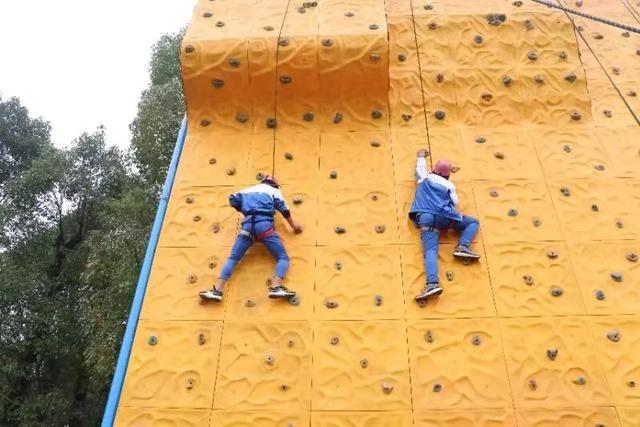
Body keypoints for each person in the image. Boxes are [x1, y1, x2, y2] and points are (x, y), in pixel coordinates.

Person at [199, 175, 303, 302]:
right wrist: (294, 226)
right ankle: (276, 287)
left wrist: (246, 209)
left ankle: (217, 291)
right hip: (264, 226)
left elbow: (233, 200)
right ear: (275, 184)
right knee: (283, 257)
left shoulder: (246, 191)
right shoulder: (274, 191)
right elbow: (284, 210)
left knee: (233, 258)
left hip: (247, 226)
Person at [410, 149, 480, 302]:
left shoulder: (425, 178)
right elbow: (455, 202)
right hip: (445, 217)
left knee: (431, 251)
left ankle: (432, 283)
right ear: (448, 174)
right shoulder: (449, 185)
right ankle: (463, 246)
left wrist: (421, 156)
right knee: (473, 222)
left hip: (426, 218)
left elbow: (420, 168)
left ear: (434, 169)